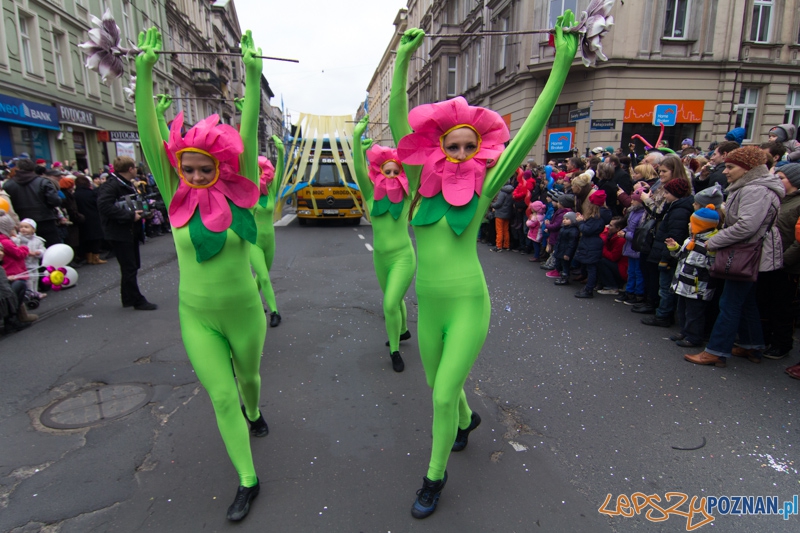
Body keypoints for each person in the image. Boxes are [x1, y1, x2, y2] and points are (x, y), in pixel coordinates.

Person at [391, 14, 578, 518]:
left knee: (440, 396)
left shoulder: (485, 186)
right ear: (438, 147)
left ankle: (433, 479)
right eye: (450, 145)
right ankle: (467, 420)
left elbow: (530, 128)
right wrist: (403, 61)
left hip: (469, 305)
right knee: (438, 388)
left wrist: (562, 63)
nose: (458, 153)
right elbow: (398, 120)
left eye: (468, 146)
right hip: (428, 305)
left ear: (480, 148)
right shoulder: (419, 185)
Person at [136, 27, 268, 521]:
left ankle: (256, 411)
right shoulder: (175, 194)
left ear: (221, 167)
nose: (194, 176)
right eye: (186, 169)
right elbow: (150, 138)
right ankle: (248, 479)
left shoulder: (242, 190)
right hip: (197, 316)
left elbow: (248, 136)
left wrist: (252, 75)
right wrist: (144, 72)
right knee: (221, 394)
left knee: (248, 379)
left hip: (245, 312)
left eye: (203, 169)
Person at [685, 146, 784, 367]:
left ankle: (716, 351)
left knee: (729, 303)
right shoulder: (753, 187)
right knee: (745, 301)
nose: (725, 171)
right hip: (751, 251)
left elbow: (747, 226)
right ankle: (752, 345)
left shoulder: (755, 190)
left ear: (748, 168)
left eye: (730, 167)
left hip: (746, 252)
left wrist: (715, 241)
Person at [352, 115, 416, 372]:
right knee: (394, 299)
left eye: (396, 171)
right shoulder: (371, 196)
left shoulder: (409, 195)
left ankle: (394, 351)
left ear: (402, 173)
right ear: (378, 173)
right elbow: (359, 171)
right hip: (380, 258)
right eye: (386, 171)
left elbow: (414, 165)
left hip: (403, 257)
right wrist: (356, 139)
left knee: (390, 303)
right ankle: (403, 329)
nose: (391, 175)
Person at [97, 156, 156, 311]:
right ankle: (137, 300)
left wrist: (144, 213)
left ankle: (128, 298)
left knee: (131, 266)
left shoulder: (125, 184)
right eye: (134, 167)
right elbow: (104, 206)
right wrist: (129, 216)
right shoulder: (111, 186)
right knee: (129, 267)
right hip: (120, 232)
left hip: (129, 230)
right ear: (130, 169)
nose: (136, 169)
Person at [755, 163, 800, 359]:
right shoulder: (777, 198)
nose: (777, 181)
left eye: (781, 178)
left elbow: (798, 242)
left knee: (784, 306)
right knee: (765, 302)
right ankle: (763, 338)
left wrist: (784, 260)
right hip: (768, 259)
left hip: (788, 265)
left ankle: (781, 344)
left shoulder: (797, 203)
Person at [640, 177, 694, 327]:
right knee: (664, 286)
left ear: (676, 193)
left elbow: (673, 236)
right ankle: (663, 313)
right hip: (666, 251)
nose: (665, 195)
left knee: (665, 287)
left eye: (667, 193)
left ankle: (663, 315)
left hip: (668, 254)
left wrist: (665, 258)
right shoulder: (674, 207)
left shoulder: (679, 211)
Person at [665, 205, 719, 347]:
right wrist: (674, 247)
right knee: (682, 309)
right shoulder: (689, 240)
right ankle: (684, 331)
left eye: (692, 222)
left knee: (694, 313)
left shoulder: (710, 245)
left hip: (698, 287)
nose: (689, 224)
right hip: (683, 283)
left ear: (700, 226)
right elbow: (681, 256)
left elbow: (712, 267)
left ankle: (694, 337)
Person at [1, 158, 62, 247]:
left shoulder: (8, 184)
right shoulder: (43, 182)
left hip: (22, 223)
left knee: (26, 250)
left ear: (18, 168)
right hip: (45, 220)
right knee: (51, 248)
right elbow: (55, 201)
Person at [0, 210, 37, 324]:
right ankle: (14, 319)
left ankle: (21, 316)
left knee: (19, 290)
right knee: (18, 291)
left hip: (12, 270)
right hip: (12, 270)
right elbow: (18, 254)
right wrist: (24, 247)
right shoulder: (5, 242)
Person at [573, 190, 608, 298]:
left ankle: (589, 289)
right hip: (591, 243)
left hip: (591, 244)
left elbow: (587, 230)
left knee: (591, 268)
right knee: (590, 267)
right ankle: (588, 287)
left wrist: (580, 222)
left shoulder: (596, 217)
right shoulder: (598, 217)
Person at [616, 188, 647, 305]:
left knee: (638, 272)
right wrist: (623, 231)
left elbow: (640, 234)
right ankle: (629, 291)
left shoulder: (643, 215)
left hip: (637, 248)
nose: (632, 202)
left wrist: (626, 235)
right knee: (631, 271)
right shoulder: (633, 212)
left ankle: (638, 294)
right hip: (630, 246)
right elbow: (629, 227)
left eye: (634, 200)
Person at [73, 176, 106, 265]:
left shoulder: (75, 194)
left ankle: (88, 257)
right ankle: (96, 257)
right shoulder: (91, 193)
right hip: (94, 217)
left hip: (82, 219)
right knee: (96, 239)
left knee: (86, 239)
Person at [15, 218, 46, 298]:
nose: (23, 229)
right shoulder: (17, 239)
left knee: (35, 278)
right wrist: (26, 253)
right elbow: (16, 249)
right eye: (21, 227)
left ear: (33, 230)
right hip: (24, 265)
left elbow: (43, 250)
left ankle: (35, 292)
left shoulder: (38, 240)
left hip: (34, 264)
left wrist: (38, 252)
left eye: (26, 227)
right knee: (29, 280)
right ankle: (30, 294)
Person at [596, 216, 628, 295]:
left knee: (601, 261)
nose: (607, 227)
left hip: (622, 268)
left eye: (611, 225)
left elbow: (613, 257)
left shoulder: (620, 240)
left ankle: (611, 286)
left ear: (618, 228)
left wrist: (602, 246)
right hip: (618, 265)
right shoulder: (613, 236)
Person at [553, 211, 580, 285]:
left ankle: (565, 278)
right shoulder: (563, 229)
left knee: (565, 265)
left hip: (566, 251)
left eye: (567, 219)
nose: (564, 220)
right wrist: (556, 248)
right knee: (558, 264)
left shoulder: (573, 231)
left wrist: (568, 253)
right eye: (564, 219)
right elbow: (559, 240)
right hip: (560, 249)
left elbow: (572, 244)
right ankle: (562, 275)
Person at [490, 179, 514, 251]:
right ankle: (506, 245)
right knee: (506, 230)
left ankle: (498, 246)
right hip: (508, 213)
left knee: (499, 230)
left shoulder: (502, 192)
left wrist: (492, 205)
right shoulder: (512, 191)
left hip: (500, 213)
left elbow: (498, 203)